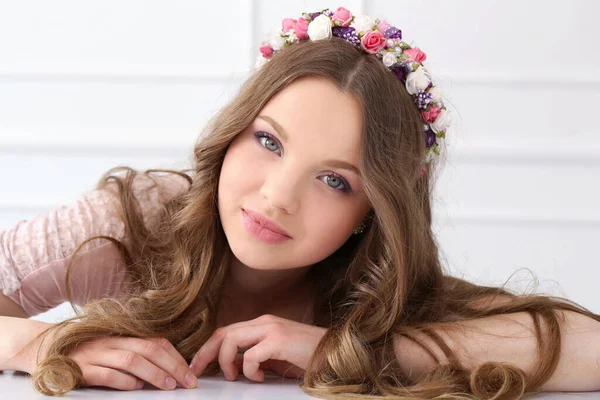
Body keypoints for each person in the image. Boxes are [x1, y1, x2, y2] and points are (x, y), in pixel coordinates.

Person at [1, 6, 599, 399]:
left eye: (335, 181)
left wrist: (350, 349)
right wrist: (37, 343)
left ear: (373, 213)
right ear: (231, 134)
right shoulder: (138, 220)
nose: (277, 196)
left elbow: (587, 345)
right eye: (268, 142)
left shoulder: (373, 292)